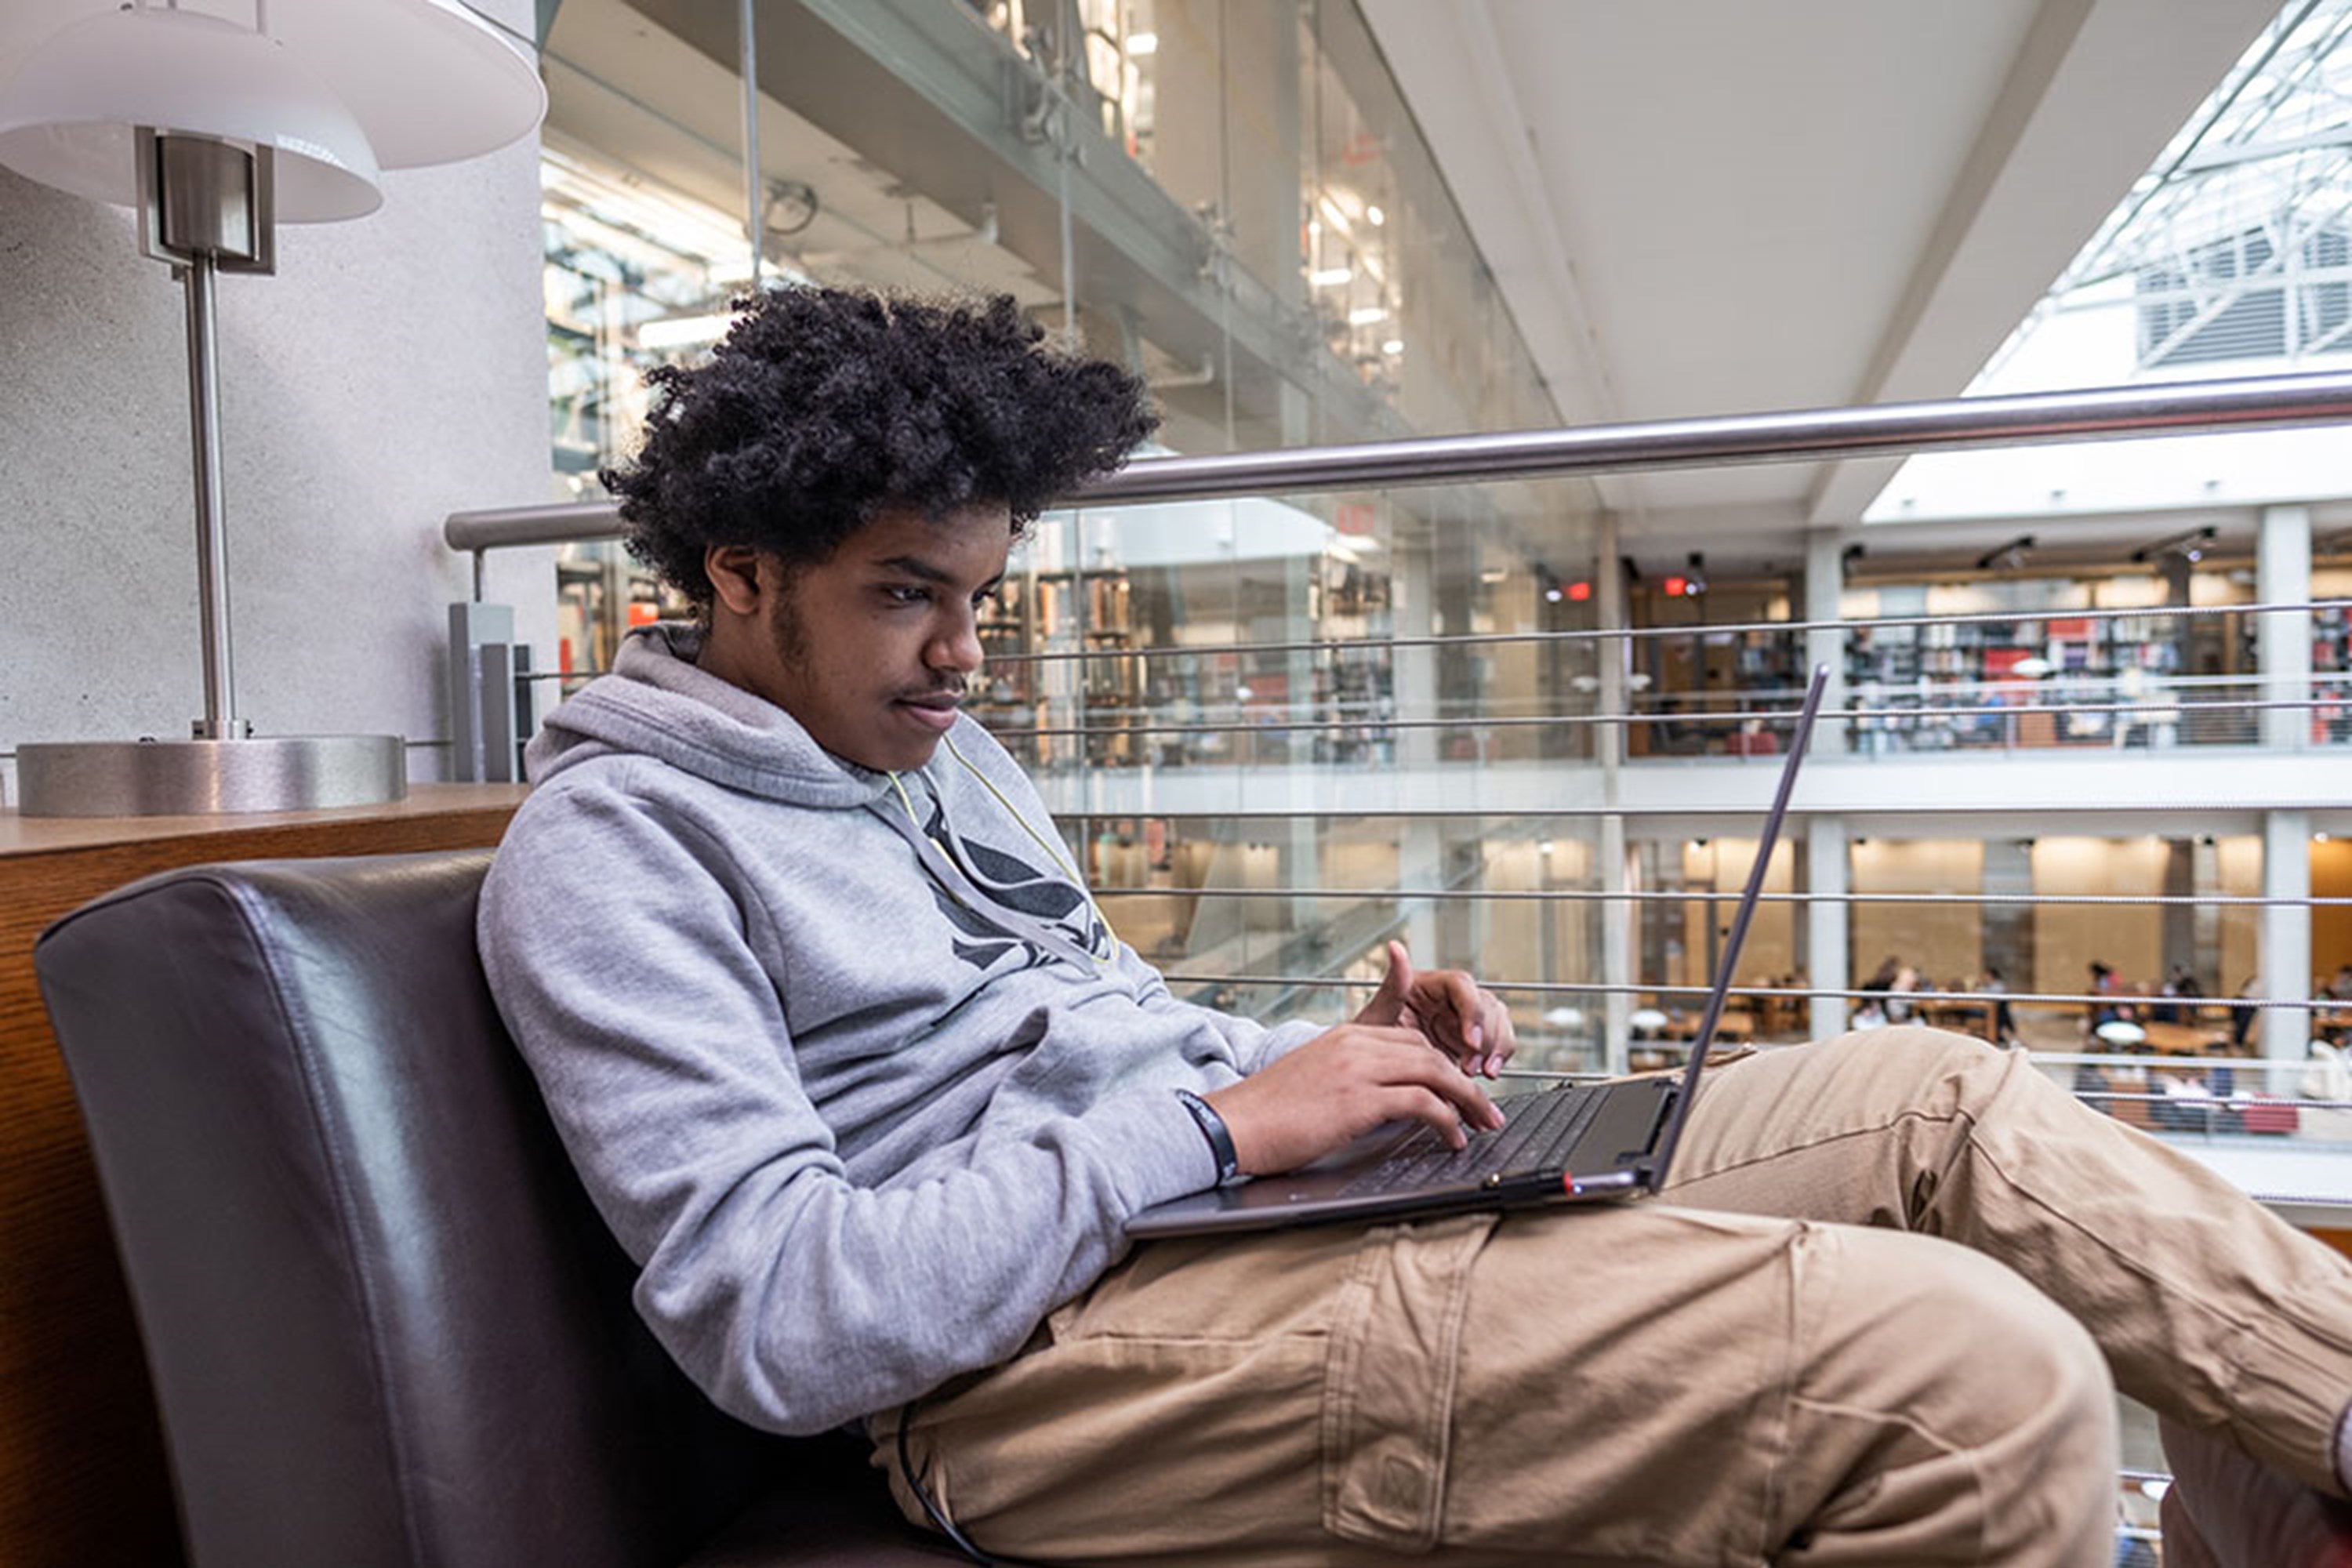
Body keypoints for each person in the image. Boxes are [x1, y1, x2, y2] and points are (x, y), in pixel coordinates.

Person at [478, 285, 2352, 1567]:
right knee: (1977, 1382)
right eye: (909, 595)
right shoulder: (616, 849)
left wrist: (1335, 1067)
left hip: (1225, 1221)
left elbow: (1089, 1019)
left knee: (1959, 1106)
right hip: (1027, 1373)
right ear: (737, 575)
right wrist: (1224, 1126)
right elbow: (788, 1319)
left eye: (978, 592)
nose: (965, 652)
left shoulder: (927, 753)